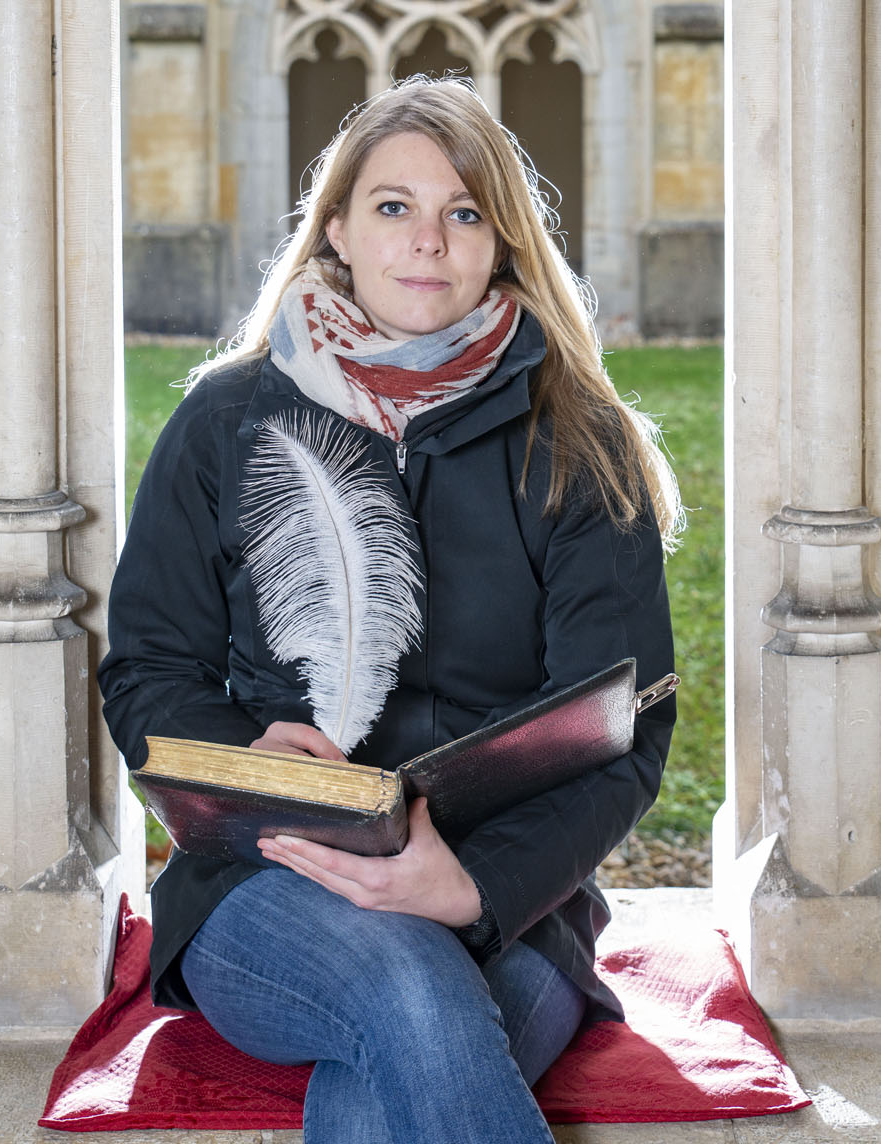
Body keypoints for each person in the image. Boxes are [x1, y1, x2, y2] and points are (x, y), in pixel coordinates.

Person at [99, 76, 681, 1144]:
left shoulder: (580, 443)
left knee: (385, 1080)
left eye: (463, 211)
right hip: (268, 882)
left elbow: (625, 724)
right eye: (392, 206)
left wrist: (473, 883)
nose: (427, 241)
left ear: (500, 242)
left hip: (517, 906)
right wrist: (255, 758)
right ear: (336, 231)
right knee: (409, 987)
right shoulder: (225, 417)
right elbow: (145, 668)